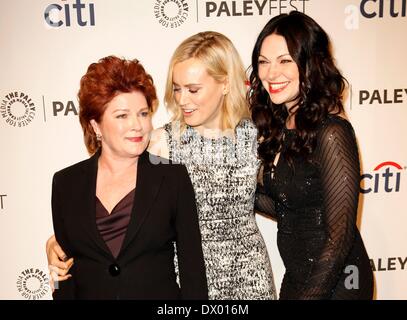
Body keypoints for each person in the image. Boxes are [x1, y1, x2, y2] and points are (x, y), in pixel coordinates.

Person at [47, 32, 276, 300]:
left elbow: (281, 201)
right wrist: (57, 242)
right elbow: (111, 191)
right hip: (183, 283)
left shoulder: (257, 138)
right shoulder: (158, 143)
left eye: (193, 89)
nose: (181, 99)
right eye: (176, 88)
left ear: (225, 84)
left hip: (249, 280)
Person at [49, 55, 208, 299]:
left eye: (143, 114)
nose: (138, 125)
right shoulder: (66, 184)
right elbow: (62, 273)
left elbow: (193, 273)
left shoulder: (172, 178)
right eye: (122, 116)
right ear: (96, 126)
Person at [249, 11, 374, 299]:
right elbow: (289, 207)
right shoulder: (279, 127)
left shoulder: (331, 132)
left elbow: (339, 238)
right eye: (263, 62)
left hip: (339, 282)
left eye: (284, 61)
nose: (270, 73)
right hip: (297, 277)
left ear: (310, 64)